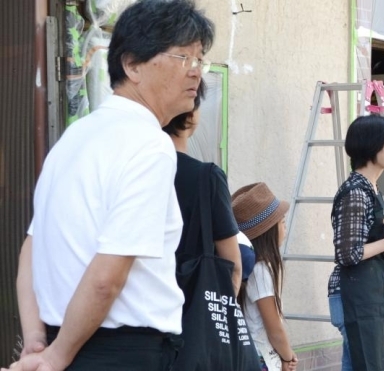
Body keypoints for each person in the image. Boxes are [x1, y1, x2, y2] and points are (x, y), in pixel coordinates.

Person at [4, 1, 214, 370]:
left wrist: (39, 340)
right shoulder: (150, 144)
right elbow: (108, 275)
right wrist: (57, 355)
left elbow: (30, 250)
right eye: (183, 57)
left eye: (200, 60)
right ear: (132, 64)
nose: (195, 73)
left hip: (65, 343)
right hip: (124, 353)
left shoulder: (73, 137)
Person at [163, 85, 261, 370]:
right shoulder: (206, 177)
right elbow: (233, 264)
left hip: (141, 326)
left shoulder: (131, 169)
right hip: (194, 318)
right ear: (192, 116)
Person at [327, 115, 384, 371]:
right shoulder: (355, 192)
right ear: (371, 145)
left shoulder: (371, 188)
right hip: (354, 294)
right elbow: (347, 253)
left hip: (368, 291)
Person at [232, 183, 298, 371]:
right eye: (281, 221)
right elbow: (274, 328)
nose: (284, 225)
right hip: (260, 357)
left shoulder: (248, 266)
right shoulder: (260, 270)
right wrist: (287, 356)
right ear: (268, 231)